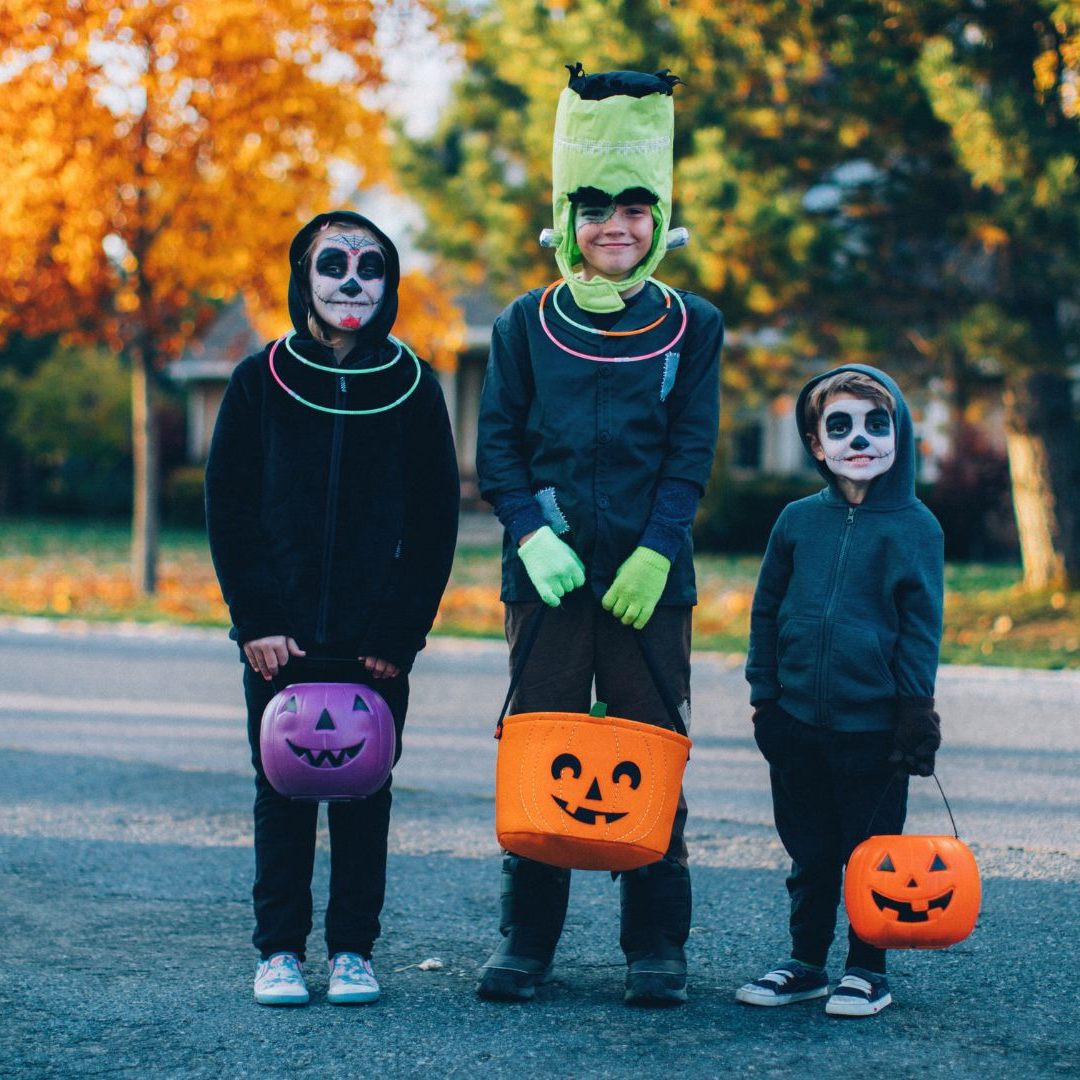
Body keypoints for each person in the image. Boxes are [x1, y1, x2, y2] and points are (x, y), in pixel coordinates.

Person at [474, 64, 724, 1007]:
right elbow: (498, 447)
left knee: (651, 744)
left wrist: (660, 546)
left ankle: (656, 943)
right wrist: (532, 532)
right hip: (543, 580)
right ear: (563, 215)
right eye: (593, 207)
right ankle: (526, 941)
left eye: (633, 206)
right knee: (540, 746)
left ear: (659, 218)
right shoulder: (521, 323)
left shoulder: (691, 325)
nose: (613, 225)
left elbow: (691, 451)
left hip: (652, 578)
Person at [205, 210, 459, 1007]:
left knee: (363, 788)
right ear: (303, 277)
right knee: (280, 788)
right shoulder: (260, 380)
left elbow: (434, 520)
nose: (352, 281)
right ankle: (278, 950)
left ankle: (353, 949)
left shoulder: (415, 386)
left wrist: (399, 632)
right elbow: (230, 505)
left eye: (370, 266)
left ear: (388, 284)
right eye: (333, 264)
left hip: (371, 638)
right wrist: (256, 620)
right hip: (278, 637)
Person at [737, 365, 944, 1017]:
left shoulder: (916, 528)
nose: (860, 438)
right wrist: (764, 698)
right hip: (796, 720)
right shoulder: (798, 521)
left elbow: (921, 628)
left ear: (899, 434)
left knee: (871, 855)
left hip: (875, 731)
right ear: (817, 444)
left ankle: (866, 969)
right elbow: (766, 609)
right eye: (841, 426)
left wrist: (914, 710)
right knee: (811, 852)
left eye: (876, 424)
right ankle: (805, 963)